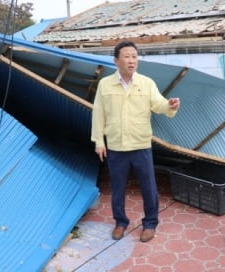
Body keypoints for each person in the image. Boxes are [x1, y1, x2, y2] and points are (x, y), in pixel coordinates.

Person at [91, 40, 180, 243]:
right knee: (117, 187)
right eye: (127, 56)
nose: (132, 60)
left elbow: (159, 104)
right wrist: (99, 141)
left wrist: (170, 105)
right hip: (116, 145)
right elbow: (98, 114)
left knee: (149, 187)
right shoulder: (105, 84)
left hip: (141, 145)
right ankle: (120, 222)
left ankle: (150, 224)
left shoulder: (146, 83)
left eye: (134, 56)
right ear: (116, 61)